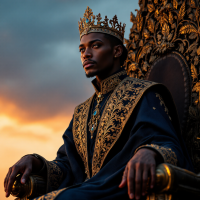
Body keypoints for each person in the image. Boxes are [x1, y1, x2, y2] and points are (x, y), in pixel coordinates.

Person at [4, 6, 194, 200]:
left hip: (122, 188)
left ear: (117, 51)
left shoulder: (144, 94)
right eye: (82, 49)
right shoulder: (81, 112)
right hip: (87, 190)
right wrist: (35, 161)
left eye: (95, 46)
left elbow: (168, 143)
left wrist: (149, 152)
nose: (86, 54)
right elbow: (67, 166)